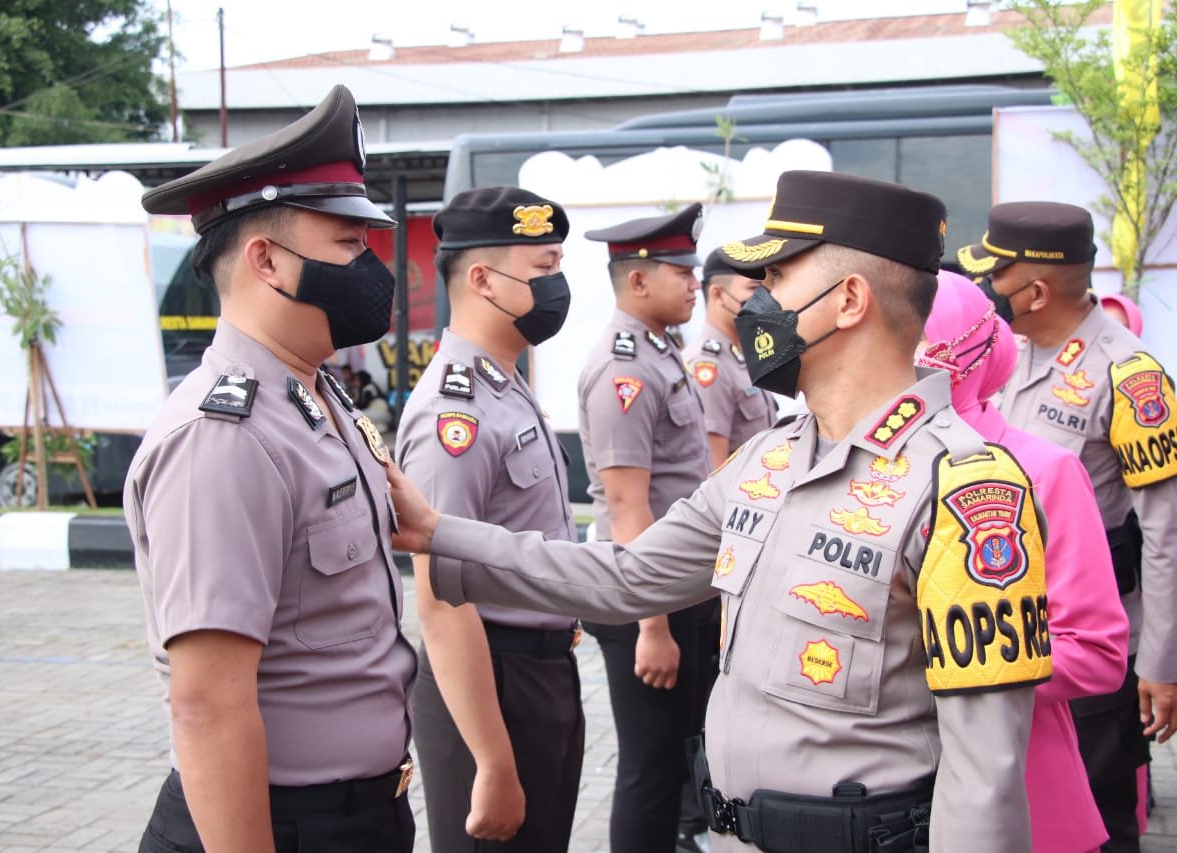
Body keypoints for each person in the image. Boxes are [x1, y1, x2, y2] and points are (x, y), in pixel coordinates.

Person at [390, 170, 1052, 853]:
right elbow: (625, 577)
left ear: (849, 299)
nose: (754, 303)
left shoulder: (966, 491)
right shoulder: (767, 459)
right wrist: (440, 533)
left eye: (779, 279)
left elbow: (985, 777)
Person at [126, 84, 418, 853]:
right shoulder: (226, 437)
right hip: (279, 825)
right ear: (267, 261)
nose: (371, 268)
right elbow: (208, 705)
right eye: (349, 246)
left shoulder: (315, 399)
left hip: (359, 814)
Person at [959, 202, 1177, 852]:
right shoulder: (1010, 353)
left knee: (1102, 821)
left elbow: (1166, 531)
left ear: (1034, 289)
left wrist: (1162, 664)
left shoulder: (1130, 376)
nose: (986, 290)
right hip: (1012, 637)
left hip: (1089, 647)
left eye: (995, 276)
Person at [395, 186, 584, 852]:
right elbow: (442, 602)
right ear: (481, 280)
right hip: (490, 684)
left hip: (539, 673)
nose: (557, 286)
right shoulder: (457, 413)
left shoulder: (503, 380)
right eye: (542, 270)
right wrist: (493, 760)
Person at [921, 271, 1128, 853]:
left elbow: (1095, 651)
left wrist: (937, 666)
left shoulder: (1041, 470)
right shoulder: (843, 468)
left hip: (1016, 788)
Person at [577, 202, 717, 853]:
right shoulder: (625, 368)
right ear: (637, 280)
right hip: (645, 598)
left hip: (674, 588)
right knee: (648, 767)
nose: (695, 283)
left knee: (669, 759)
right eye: (680, 271)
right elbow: (629, 504)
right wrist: (652, 626)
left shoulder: (660, 352)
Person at [685, 247, 779, 466]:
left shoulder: (743, 357)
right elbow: (713, 469)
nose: (764, 299)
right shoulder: (708, 365)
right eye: (754, 288)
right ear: (718, 294)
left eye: (766, 289)